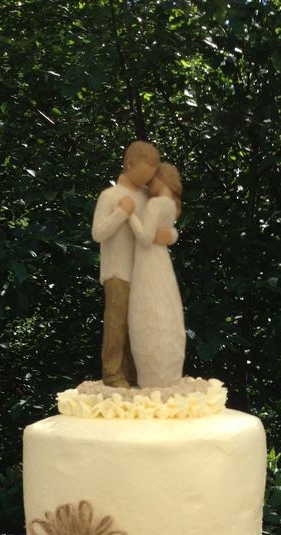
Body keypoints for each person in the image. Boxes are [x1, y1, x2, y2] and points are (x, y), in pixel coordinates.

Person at [91, 142, 175, 388]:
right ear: (129, 164)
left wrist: (170, 236)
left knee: (140, 324)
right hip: (118, 270)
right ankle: (114, 373)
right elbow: (98, 232)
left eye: (152, 172)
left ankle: (136, 371)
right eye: (145, 170)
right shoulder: (110, 196)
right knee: (117, 322)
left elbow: (165, 225)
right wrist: (121, 213)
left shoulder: (148, 198)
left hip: (145, 273)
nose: (149, 176)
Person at [126, 163, 186, 388]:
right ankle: (168, 374)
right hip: (161, 260)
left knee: (149, 309)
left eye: (151, 180)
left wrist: (129, 213)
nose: (147, 184)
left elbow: (144, 237)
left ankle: (153, 378)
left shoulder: (156, 204)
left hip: (148, 260)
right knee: (166, 305)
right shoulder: (170, 205)